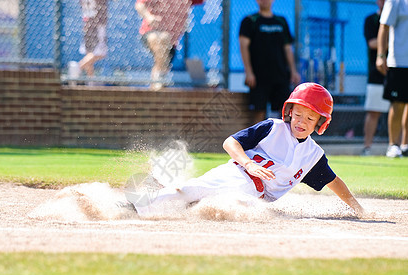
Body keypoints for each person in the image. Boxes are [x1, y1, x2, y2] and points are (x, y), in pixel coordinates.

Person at [127, 83, 365, 218]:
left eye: (310, 117)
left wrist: (359, 210)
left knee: (241, 212)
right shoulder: (272, 127)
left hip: (254, 197)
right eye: (298, 113)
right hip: (236, 174)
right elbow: (230, 142)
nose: (301, 121)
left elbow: (334, 182)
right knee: (186, 190)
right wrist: (249, 163)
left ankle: (167, 192)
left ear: (320, 123)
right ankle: (132, 206)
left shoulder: (312, 156)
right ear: (289, 111)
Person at [239, 0, 301, 125]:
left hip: (280, 75)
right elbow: (243, 47)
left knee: (285, 112)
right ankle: (256, 143)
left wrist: (293, 71)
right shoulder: (250, 21)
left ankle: (284, 143)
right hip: (258, 77)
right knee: (258, 111)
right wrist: (249, 72)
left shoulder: (281, 21)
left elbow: (288, 48)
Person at [135, 0, 192, 90]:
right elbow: (139, 5)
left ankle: (157, 81)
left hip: (172, 41)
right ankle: (160, 78)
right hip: (152, 31)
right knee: (160, 38)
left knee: (161, 59)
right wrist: (149, 17)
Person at [376, 0, 408, 157]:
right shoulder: (396, 1)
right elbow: (384, 25)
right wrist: (381, 55)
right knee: (398, 103)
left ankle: (405, 145)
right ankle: (393, 145)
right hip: (399, 62)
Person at [362, 0, 390, 156]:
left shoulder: (399, 19)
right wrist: (390, 40)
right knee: (373, 112)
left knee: (399, 110)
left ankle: (399, 146)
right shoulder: (370, 19)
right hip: (376, 73)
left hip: (396, 71)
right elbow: (372, 43)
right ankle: (367, 147)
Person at [78, 0, 108, 79]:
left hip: (87, 25)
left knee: (89, 55)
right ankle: (78, 68)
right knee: (100, 54)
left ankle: (91, 82)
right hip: (97, 25)